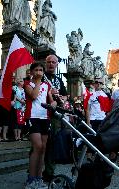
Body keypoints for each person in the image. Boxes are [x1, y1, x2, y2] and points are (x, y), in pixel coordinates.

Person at [24, 63, 55, 189]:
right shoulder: (28, 84)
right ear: (31, 72)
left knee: (43, 149)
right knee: (37, 146)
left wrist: (52, 103)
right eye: (36, 70)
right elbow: (34, 95)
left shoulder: (46, 85)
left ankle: (39, 178)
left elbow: (50, 99)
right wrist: (37, 81)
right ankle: (30, 179)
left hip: (45, 118)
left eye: (41, 70)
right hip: (32, 117)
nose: (39, 72)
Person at [42, 54, 67, 182]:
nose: (51, 64)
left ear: (57, 64)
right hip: (41, 114)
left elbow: (65, 95)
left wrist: (62, 99)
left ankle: (49, 172)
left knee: (52, 144)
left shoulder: (59, 79)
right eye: (49, 62)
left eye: (54, 62)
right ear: (46, 63)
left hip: (55, 116)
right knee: (40, 144)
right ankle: (34, 172)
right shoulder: (41, 77)